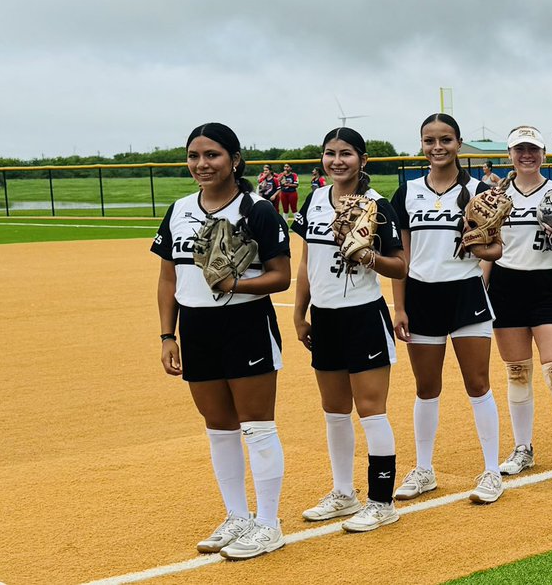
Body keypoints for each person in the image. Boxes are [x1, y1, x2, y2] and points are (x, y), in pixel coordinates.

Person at [152, 123, 292, 560]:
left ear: (234, 159)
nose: (201, 164)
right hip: (196, 328)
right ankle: (237, 515)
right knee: (218, 428)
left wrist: (235, 284)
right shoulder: (178, 210)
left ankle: (268, 523)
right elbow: (168, 276)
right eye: (193, 156)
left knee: (257, 425)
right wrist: (166, 335)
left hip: (245, 323)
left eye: (211, 155)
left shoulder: (257, 209)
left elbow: (281, 276)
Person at [292, 128, 408, 532]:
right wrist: (299, 313)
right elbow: (307, 261)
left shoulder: (377, 205)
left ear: (362, 160)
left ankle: (381, 501)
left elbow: (400, 266)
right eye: (329, 153)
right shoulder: (315, 200)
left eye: (345, 154)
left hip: (363, 315)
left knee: (371, 411)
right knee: (335, 412)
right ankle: (344, 493)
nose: (336, 161)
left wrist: (367, 254)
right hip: (325, 318)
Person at [390, 114, 506, 504]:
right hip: (422, 296)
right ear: (421, 144)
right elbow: (401, 257)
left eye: (445, 140)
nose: (437, 147)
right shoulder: (405, 193)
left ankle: (491, 471)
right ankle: (424, 469)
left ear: (459, 143)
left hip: (466, 294)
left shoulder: (479, 190)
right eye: (429, 140)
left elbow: (496, 250)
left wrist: (477, 246)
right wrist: (399, 307)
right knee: (426, 388)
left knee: (478, 384)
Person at [485, 125, 552, 485]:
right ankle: (523, 449)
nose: (526, 155)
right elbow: (488, 248)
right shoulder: (495, 196)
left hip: (548, 285)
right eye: (519, 150)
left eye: (533, 149)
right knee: (517, 371)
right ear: (510, 156)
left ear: (544, 155)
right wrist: (483, 286)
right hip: (505, 285)